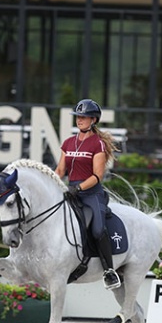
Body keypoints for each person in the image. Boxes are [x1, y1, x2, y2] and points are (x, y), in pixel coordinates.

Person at [55, 98, 121, 289]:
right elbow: (60, 171)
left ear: (93, 120)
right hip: (70, 191)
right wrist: (52, 183)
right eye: (77, 117)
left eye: (83, 117)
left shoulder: (97, 144)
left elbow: (97, 176)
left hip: (91, 193)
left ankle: (109, 271)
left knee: (98, 229)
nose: (79, 120)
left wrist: (78, 188)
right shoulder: (68, 143)